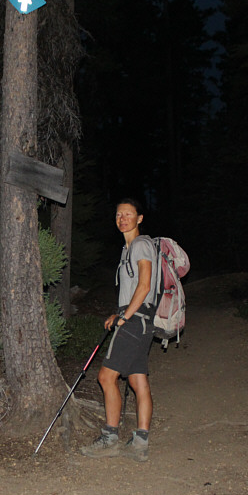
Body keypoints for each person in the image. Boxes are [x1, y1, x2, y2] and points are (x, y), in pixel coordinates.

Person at [81, 198, 156, 462]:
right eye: (118, 214)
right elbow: (134, 289)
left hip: (136, 321)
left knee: (105, 377)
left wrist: (125, 316)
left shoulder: (142, 244)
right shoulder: (128, 249)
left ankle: (110, 437)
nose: (122, 218)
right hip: (141, 320)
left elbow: (145, 285)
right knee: (137, 381)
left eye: (128, 214)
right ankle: (140, 442)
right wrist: (120, 312)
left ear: (140, 218)